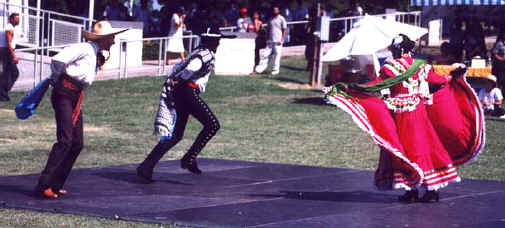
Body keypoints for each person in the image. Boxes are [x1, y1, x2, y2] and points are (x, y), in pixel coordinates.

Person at [323, 34, 485, 203]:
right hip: (419, 111)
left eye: (393, 48)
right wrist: (453, 75)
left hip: (400, 114)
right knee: (425, 146)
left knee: (406, 149)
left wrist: (349, 89)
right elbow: (439, 80)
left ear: (399, 49)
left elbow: (376, 85)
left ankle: (412, 189)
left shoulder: (391, 67)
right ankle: (431, 189)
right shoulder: (421, 66)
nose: (391, 51)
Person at [34, 21, 127, 199]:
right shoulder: (84, 48)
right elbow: (58, 59)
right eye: (112, 38)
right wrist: (55, 78)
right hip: (65, 93)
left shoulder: (95, 53)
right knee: (65, 140)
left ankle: (56, 184)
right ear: (104, 38)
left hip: (75, 95)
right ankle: (43, 185)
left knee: (77, 143)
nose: (114, 41)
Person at [136, 28, 233, 183]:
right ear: (211, 41)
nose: (219, 43)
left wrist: (176, 81)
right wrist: (180, 80)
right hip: (187, 92)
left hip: (181, 92)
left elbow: (178, 67)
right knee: (212, 125)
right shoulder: (206, 54)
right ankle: (189, 158)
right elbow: (190, 68)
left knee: (176, 135)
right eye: (217, 40)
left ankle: (146, 166)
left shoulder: (198, 51)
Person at [254, 6, 287, 75]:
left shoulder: (282, 19)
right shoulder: (270, 19)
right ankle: (258, 70)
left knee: (276, 56)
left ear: (279, 11)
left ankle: (275, 71)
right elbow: (268, 30)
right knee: (265, 55)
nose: (275, 11)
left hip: (278, 41)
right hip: (270, 41)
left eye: (276, 10)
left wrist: (281, 40)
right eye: (274, 10)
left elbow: (284, 30)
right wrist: (267, 39)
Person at [0, 13, 23, 102]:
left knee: (7, 73)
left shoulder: (11, 28)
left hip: (6, 51)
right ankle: (3, 93)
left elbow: (13, 39)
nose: (18, 20)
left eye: (18, 18)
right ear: (11, 19)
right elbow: (9, 43)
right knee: (14, 73)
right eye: (17, 19)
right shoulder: (9, 28)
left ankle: (3, 94)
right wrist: (14, 56)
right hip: (7, 51)